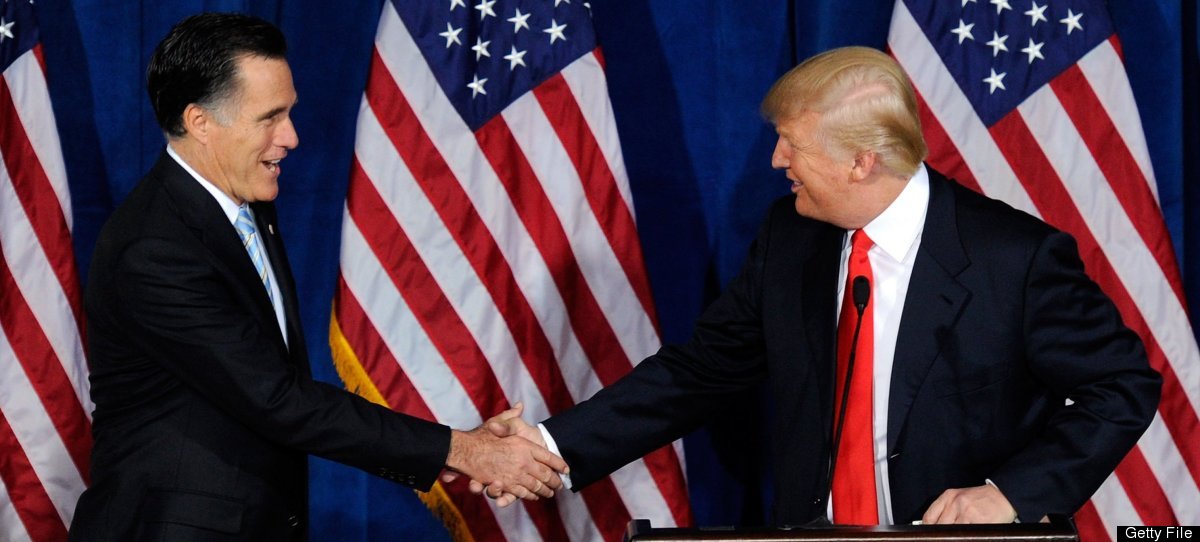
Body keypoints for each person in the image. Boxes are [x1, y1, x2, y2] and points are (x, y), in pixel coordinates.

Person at [481, 46, 1161, 526]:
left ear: (862, 162)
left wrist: (1009, 494)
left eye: (792, 143)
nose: (778, 160)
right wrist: (550, 448)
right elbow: (699, 373)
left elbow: (1123, 385)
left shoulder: (1014, 258)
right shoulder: (792, 237)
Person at [69, 13, 564, 541]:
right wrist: (461, 450)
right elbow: (278, 400)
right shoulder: (155, 249)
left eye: (289, 112)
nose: (291, 137)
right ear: (200, 122)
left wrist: (450, 450)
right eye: (270, 117)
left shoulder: (246, 206)